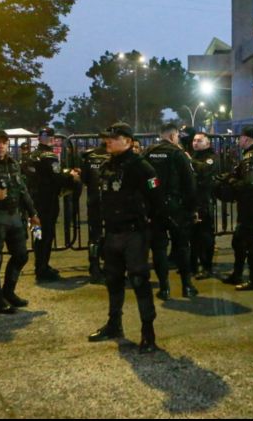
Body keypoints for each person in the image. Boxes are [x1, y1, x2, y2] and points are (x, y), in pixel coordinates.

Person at [87, 122, 166, 353]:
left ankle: (148, 333)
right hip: (112, 232)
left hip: (134, 233)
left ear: (128, 141)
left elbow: (157, 201)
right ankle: (114, 324)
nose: (108, 141)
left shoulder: (143, 168)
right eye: (106, 138)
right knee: (113, 279)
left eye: (113, 138)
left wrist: (152, 231)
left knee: (139, 280)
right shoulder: (106, 166)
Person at [0, 130, 41, 312]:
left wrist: (33, 213)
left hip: (13, 215)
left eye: (3, 142)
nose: (0, 146)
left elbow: (22, 190)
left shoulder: (13, 164)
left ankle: (8, 292)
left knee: (21, 255)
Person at [143, 123, 198, 299]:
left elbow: (142, 181)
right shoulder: (178, 153)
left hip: (154, 207)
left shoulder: (148, 152)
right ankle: (187, 286)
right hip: (176, 207)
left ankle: (164, 288)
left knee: (158, 248)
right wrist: (192, 209)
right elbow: (190, 183)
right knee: (182, 247)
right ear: (173, 136)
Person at [22, 127, 80, 282]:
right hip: (47, 202)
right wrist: (71, 176)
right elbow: (58, 178)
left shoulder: (30, 156)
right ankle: (42, 269)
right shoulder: (50, 156)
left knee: (38, 235)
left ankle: (40, 266)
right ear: (53, 139)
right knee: (46, 236)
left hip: (33, 202)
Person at [222, 126, 253, 291]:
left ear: (246, 139)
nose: (238, 141)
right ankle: (238, 274)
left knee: (248, 241)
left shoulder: (250, 157)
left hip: (251, 203)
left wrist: (231, 182)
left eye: (240, 138)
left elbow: (248, 183)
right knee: (239, 241)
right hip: (252, 203)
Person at [80, 138, 111, 284]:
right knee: (111, 233)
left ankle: (94, 268)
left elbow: (84, 179)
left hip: (93, 199)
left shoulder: (89, 157)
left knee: (94, 235)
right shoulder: (115, 156)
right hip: (111, 200)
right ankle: (110, 267)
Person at [190, 132, 220, 279]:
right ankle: (193, 265)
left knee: (205, 235)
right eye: (194, 140)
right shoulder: (193, 156)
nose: (195, 143)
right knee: (193, 235)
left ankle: (206, 267)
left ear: (207, 143)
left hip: (204, 201)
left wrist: (191, 162)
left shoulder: (212, 158)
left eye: (199, 141)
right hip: (192, 201)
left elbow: (205, 170)